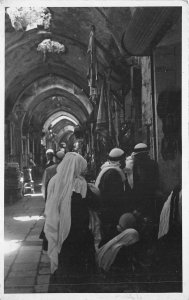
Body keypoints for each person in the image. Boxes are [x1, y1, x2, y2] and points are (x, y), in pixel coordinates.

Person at [44, 152, 98, 292]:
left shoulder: (55, 180)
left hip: (64, 226)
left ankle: (65, 283)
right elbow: (91, 202)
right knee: (76, 261)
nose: (82, 171)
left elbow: (48, 202)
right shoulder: (80, 183)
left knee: (66, 257)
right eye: (80, 167)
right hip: (77, 229)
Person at [95, 148, 126, 245]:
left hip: (105, 211)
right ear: (120, 161)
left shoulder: (107, 170)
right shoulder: (113, 174)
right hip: (111, 213)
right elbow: (115, 197)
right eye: (124, 160)